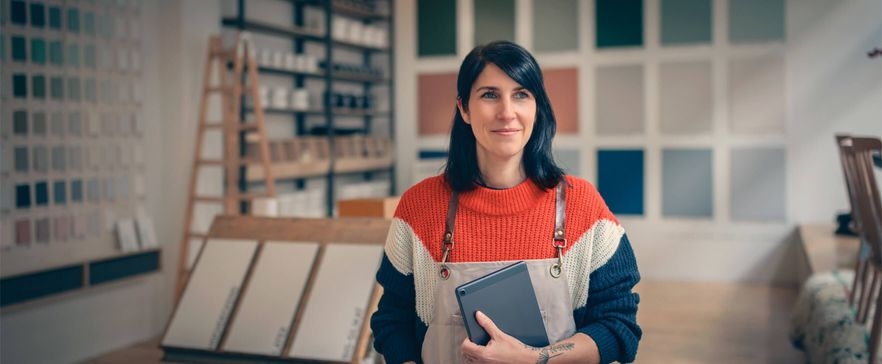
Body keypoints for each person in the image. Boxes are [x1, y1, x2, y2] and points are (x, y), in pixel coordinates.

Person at [370, 40, 641, 364]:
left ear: (537, 108)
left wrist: (535, 358)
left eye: (521, 95)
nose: (507, 112)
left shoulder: (583, 207)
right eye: (489, 95)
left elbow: (619, 327)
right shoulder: (418, 208)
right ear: (464, 109)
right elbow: (392, 320)